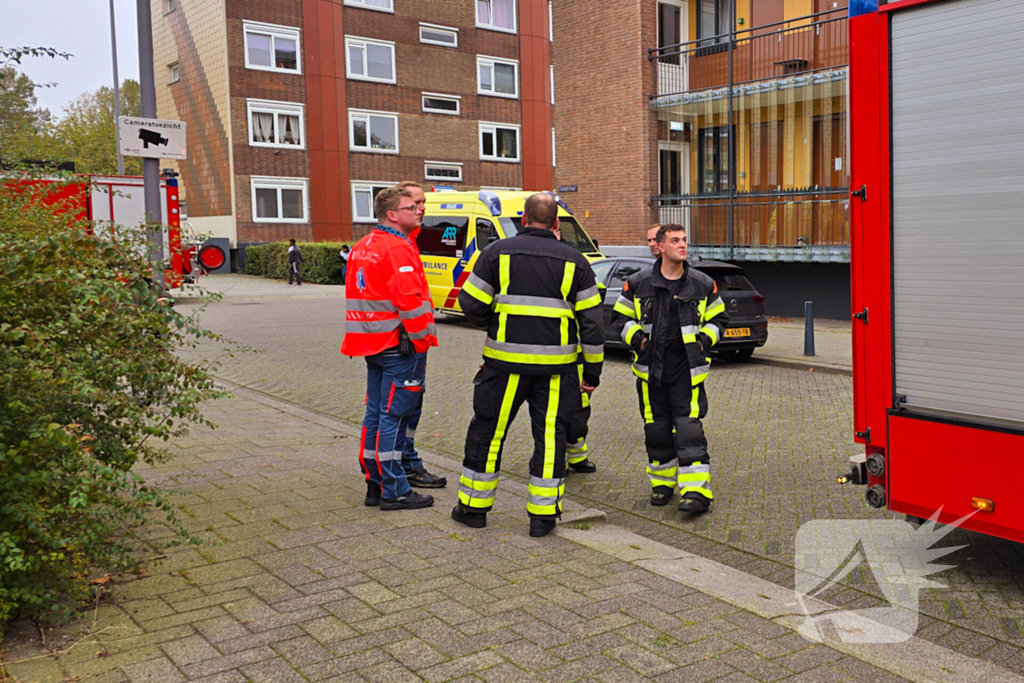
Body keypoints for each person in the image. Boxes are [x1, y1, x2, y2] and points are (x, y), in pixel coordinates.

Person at [453, 193, 605, 537]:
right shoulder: (577, 262)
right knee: (551, 438)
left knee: (488, 433)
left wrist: (497, 323)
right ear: (555, 224)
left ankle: (474, 509)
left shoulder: (495, 253)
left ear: (523, 220)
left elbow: (471, 304)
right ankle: (543, 516)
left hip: (503, 364)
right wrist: (592, 372)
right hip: (557, 370)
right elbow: (593, 326)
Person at [340, 182, 446, 511]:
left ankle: (374, 481)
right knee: (395, 417)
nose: (418, 211)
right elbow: (410, 301)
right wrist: (421, 339)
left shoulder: (363, 245)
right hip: (399, 345)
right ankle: (395, 488)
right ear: (392, 214)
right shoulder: (396, 248)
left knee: (375, 414)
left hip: (372, 343)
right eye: (410, 207)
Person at [611, 224, 728, 514]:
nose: (683, 245)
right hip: (651, 371)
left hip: (687, 371)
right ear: (660, 247)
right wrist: (638, 340)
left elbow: (719, 319)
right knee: (657, 430)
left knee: (689, 429)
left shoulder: (702, 283)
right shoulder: (638, 284)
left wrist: (704, 340)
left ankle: (697, 492)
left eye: (685, 240)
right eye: (675, 240)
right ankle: (662, 484)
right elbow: (619, 318)